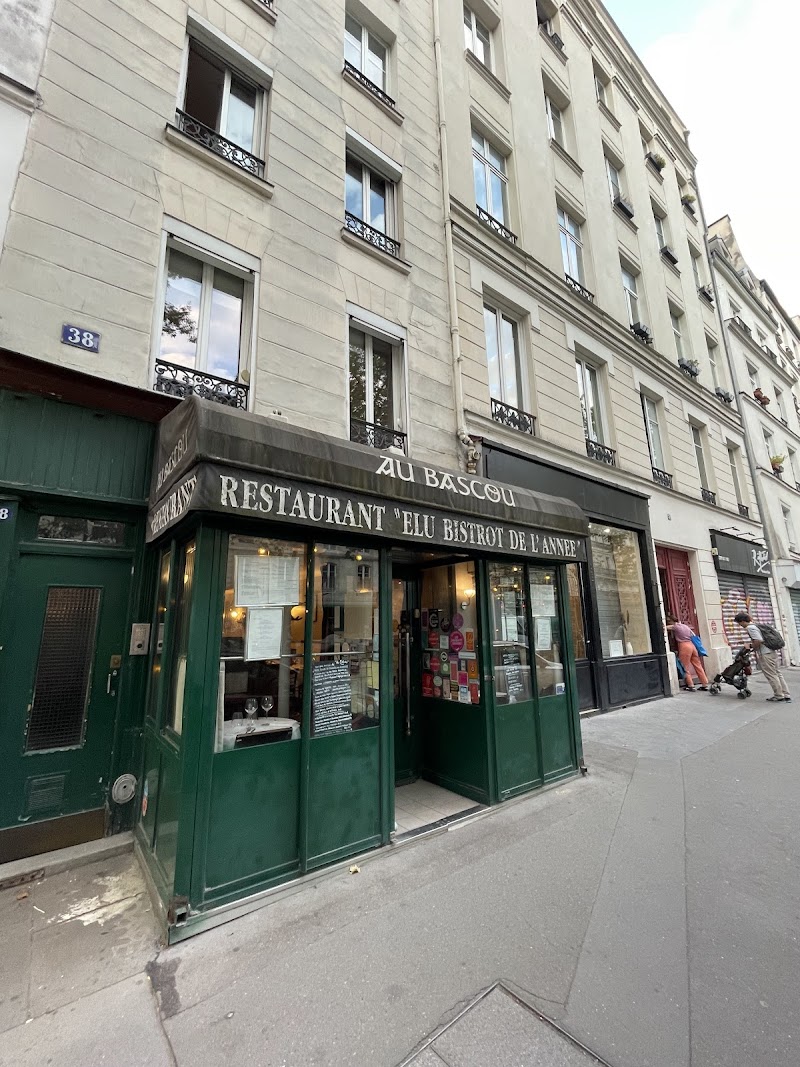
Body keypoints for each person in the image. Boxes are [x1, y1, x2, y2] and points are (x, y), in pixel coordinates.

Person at [733, 612, 791, 702]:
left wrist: (751, 646)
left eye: (739, 623)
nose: (740, 625)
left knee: (771, 675)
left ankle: (779, 695)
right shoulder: (756, 625)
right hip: (771, 651)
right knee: (777, 673)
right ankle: (785, 694)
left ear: (743, 621)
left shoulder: (750, 628)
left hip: (765, 654)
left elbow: (758, 640)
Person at [665, 613, 708, 691]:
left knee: (685, 667)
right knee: (698, 665)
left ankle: (690, 685)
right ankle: (704, 683)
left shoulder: (676, 627)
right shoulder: (686, 626)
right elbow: (693, 635)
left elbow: (664, 628)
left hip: (684, 646)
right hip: (692, 645)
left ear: (671, 621)